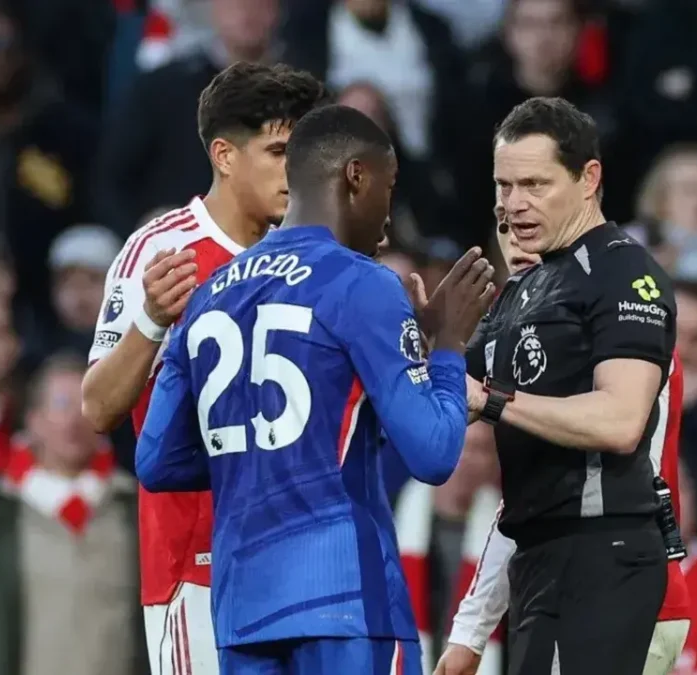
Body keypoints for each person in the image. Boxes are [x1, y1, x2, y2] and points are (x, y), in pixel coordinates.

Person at [134, 103, 496, 675]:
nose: (389, 209)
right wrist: (448, 347)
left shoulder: (208, 295)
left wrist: (264, 451)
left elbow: (155, 461)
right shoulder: (362, 282)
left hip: (241, 608)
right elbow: (434, 452)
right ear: (357, 176)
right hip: (347, 599)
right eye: (389, 184)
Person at [80, 62, 326, 675]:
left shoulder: (318, 254)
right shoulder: (161, 251)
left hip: (307, 564)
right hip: (199, 568)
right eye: (277, 151)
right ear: (224, 154)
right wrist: (151, 321)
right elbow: (98, 407)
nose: (294, 170)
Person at [462, 96, 679, 675]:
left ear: (590, 179)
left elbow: (619, 420)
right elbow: (449, 393)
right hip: (539, 559)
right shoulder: (526, 284)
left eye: (534, 184)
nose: (513, 205)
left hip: (601, 552)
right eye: (503, 187)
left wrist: (491, 400)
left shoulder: (623, 272)